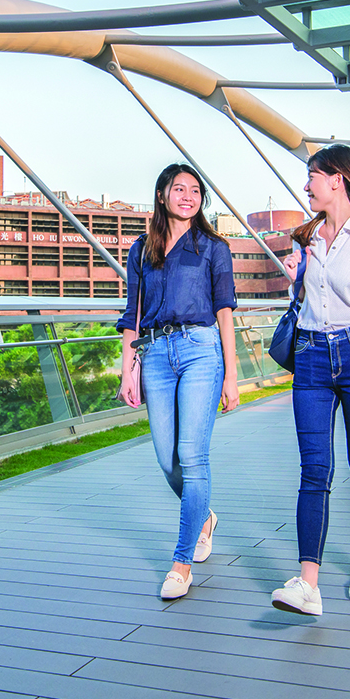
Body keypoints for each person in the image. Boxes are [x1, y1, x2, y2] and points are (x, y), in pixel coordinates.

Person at [270, 144, 350, 617]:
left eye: (312, 177)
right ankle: (308, 583)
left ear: (337, 180)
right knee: (314, 470)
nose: (307, 186)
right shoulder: (306, 237)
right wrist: (295, 277)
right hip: (309, 358)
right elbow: (306, 298)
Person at [118, 164, 239, 600]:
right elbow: (132, 313)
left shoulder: (213, 247)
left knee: (192, 455)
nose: (187, 196)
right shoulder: (141, 249)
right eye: (179, 189)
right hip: (154, 356)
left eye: (195, 190)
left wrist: (231, 372)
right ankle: (204, 516)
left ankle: (181, 563)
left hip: (200, 351)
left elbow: (225, 311)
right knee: (167, 461)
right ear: (162, 194)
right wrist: (127, 368)